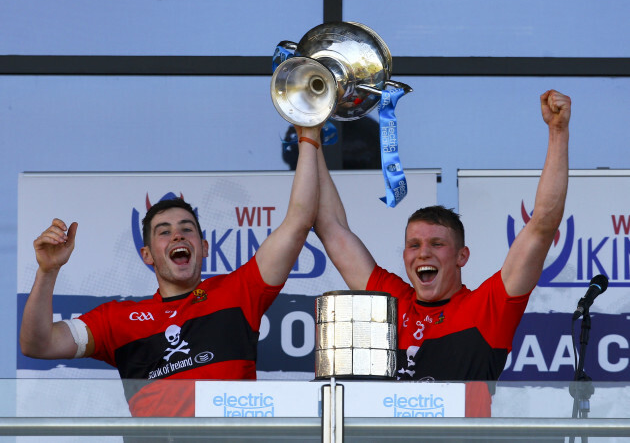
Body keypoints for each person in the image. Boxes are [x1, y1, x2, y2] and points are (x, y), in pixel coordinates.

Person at [19, 125, 323, 418]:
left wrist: (308, 134)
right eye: (164, 232)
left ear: (204, 247)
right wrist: (48, 271)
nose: (177, 236)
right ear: (147, 255)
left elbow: (298, 221)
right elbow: (37, 345)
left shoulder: (238, 291)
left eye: (186, 229)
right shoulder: (117, 319)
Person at [313, 90, 571, 416]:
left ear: (462, 256)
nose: (423, 254)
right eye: (414, 245)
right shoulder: (391, 301)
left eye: (437, 244)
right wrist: (311, 138)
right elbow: (331, 228)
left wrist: (558, 133)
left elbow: (542, 226)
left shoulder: (487, 309)